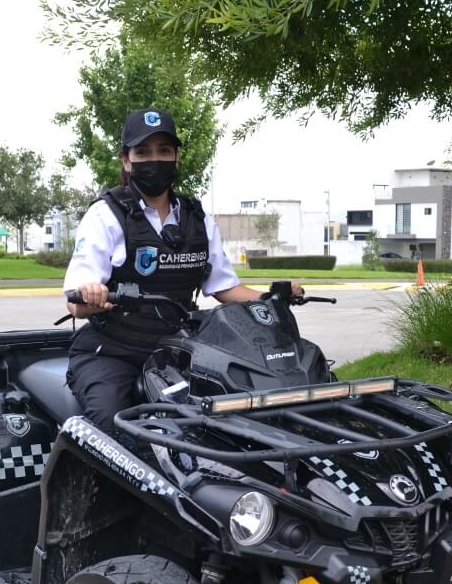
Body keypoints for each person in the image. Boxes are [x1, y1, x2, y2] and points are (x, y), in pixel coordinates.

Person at [63, 108, 299, 435]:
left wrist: (272, 297)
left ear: (176, 157)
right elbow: (75, 302)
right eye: (142, 152)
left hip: (178, 351)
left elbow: (224, 287)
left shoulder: (196, 218)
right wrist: (92, 294)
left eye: (164, 150)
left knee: (229, 418)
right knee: (112, 425)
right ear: (126, 161)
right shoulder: (105, 216)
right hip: (113, 352)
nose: (154, 160)